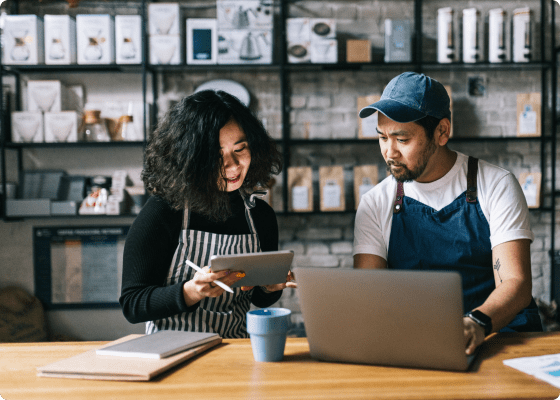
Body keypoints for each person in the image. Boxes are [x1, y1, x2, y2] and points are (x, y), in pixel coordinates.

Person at [353, 72, 543, 355]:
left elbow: (515, 283)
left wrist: (476, 323)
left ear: (442, 132)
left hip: (498, 335)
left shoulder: (497, 185)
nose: (389, 152)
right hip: (419, 341)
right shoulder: (375, 203)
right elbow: (370, 293)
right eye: (382, 137)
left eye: (402, 139)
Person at [120, 90, 295, 338]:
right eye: (216, 155)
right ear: (190, 158)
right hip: (171, 353)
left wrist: (270, 287)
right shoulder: (163, 211)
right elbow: (132, 304)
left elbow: (259, 299)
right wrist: (192, 291)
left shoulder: (260, 216)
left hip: (235, 351)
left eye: (241, 148)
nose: (233, 165)